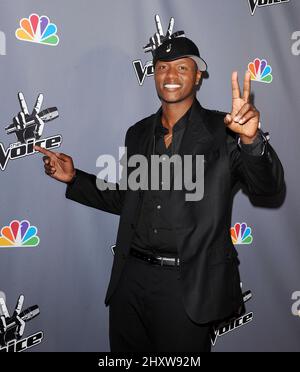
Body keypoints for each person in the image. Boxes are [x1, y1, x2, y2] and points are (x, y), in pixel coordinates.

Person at [34, 20, 284, 352]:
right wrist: (75, 178)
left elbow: (267, 186)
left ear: (197, 77)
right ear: (153, 75)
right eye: (162, 67)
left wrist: (251, 140)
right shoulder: (137, 134)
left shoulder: (226, 131)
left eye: (182, 67)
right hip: (130, 280)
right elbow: (130, 200)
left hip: (188, 284)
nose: (170, 75)